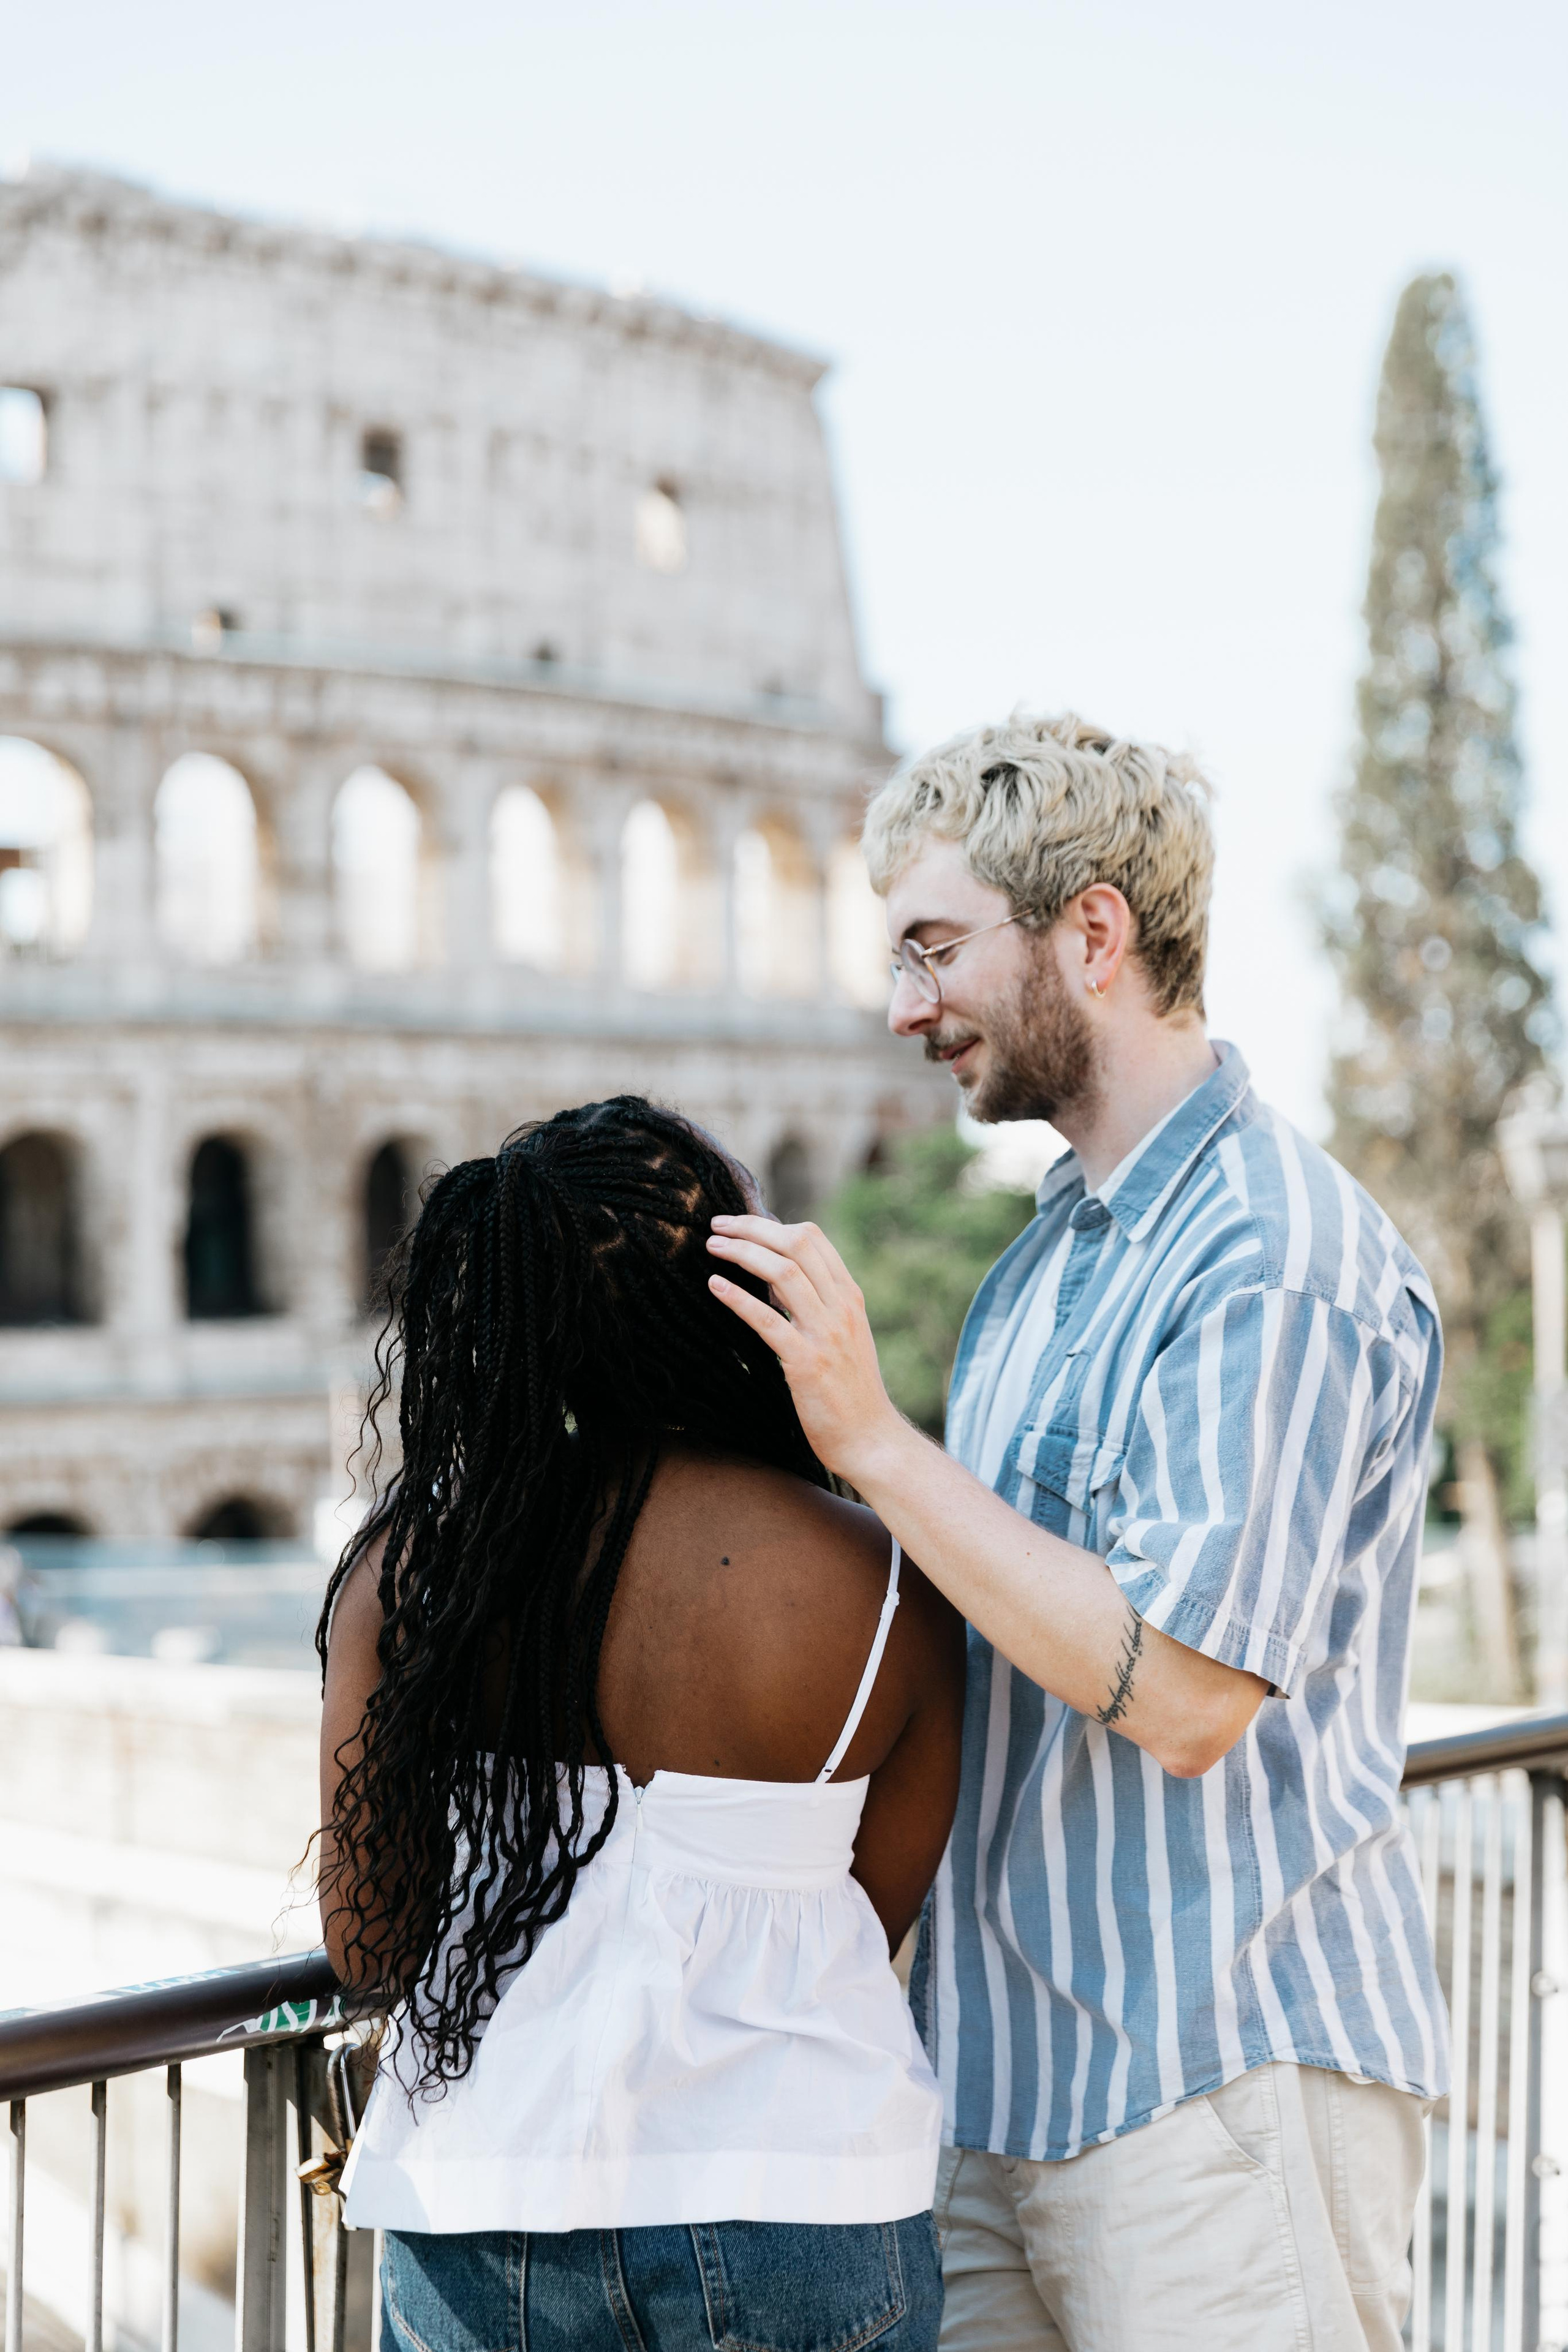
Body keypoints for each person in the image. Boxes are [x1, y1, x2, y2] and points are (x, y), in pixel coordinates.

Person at [704, 715, 1447, 2352]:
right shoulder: (1044, 1261)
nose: (903, 1008)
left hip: (1220, 2092)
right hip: (1001, 2094)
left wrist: (874, 1440)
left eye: (935, 947)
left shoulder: (1273, 1258)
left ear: (1092, 934)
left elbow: (1184, 1695)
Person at [318, 1097, 965, 2352]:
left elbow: (366, 1940)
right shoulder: (887, 1582)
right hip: (803, 2199)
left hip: (484, 2204)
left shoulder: (407, 1577)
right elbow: (866, 1916)